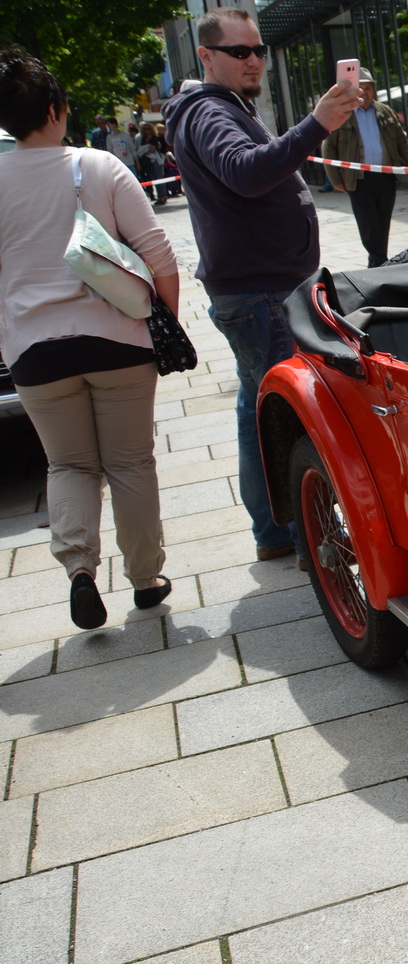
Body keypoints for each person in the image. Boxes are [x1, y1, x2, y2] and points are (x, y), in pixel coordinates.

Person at [165, 6, 362, 562]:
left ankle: (276, 532)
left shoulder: (220, 107)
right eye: (239, 52)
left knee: (258, 406)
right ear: (206, 56)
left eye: (258, 50)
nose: (254, 60)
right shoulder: (208, 110)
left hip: (258, 288)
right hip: (262, 293)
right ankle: (310, 538)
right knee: (291, 413)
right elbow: (247, 171)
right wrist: (315, 124)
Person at [0, 51, 179, 627]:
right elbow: (158, 252)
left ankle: (79, 570)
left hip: (32, 349)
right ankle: (146, 578)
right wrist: (165, 323)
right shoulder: (98, 166)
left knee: (68, 464)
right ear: (55, 109)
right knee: (130, 462)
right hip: (118, 340)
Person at [320, 66, 408, 267]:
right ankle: (382, 264)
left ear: (374, 90)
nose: (365, 92)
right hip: (358, 179)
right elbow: (328, 148)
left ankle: (375, 267)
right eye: (360, 88)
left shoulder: (385, 111)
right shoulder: (344, 114)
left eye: (368, 88)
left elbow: (402, 141)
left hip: (386, 177)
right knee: (369, 227)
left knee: (382, 226)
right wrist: (335, 179)